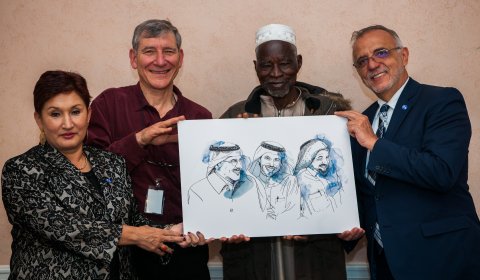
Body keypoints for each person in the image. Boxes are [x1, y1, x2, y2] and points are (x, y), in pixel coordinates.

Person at [1, 70, 201, 280]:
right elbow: (61, 226)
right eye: (55, 114)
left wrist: (173, 231)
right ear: (39, 120)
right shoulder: (22, 169)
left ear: (89, 115)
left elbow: (134, 218)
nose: (67, 123)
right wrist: (137, 235)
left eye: (75, 111)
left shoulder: (111, 163)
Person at [336, 25, 480, 279]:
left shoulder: (442, 101)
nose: (372, 64)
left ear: (403, 56)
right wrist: (347, 227)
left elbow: (442, 172)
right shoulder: (363, 120)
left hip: (443, 259)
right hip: (386, 264)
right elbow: (368, 193)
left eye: (381, 53)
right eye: (362, 61)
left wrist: (374, 143)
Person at [220, 23, 352, 280]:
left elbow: (346, 181)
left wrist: (343, 225)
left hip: (316, 253)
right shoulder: (235, 116)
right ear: (256, 67)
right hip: (255, 257)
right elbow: (229, 188)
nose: (276, 73)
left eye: (285, 64)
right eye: (266, 65)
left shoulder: (329, 113)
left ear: (299, 63)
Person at [86, 19, 212, 279]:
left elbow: (209, 188)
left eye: (168, 51)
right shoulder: (108, 104)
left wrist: (202, 226)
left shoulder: (199, 116)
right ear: (133, 59)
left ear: (180, 58)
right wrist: (140, 140)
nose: (160, 60)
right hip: (125, 252)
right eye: (149, 51)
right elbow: (90, 177)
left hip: (183, 250)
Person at [188, 142, 261, 211]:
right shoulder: (197, 192)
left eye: (239, 160)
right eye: (233, 161)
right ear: (217, 164)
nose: (239, 166)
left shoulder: (248, 183)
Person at [248, 141, 299, 220]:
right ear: (259, 159)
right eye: (267, 158)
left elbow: (294, 212)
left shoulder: (290, 181)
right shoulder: (250, 182)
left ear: (281, 163)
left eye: (276, 160)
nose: (271, 164)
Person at [294, 137, 343, 215]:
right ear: (308, 159)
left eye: (327, 157)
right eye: (320, 158)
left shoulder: (321, 178)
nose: (325, 162)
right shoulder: (301, 179)